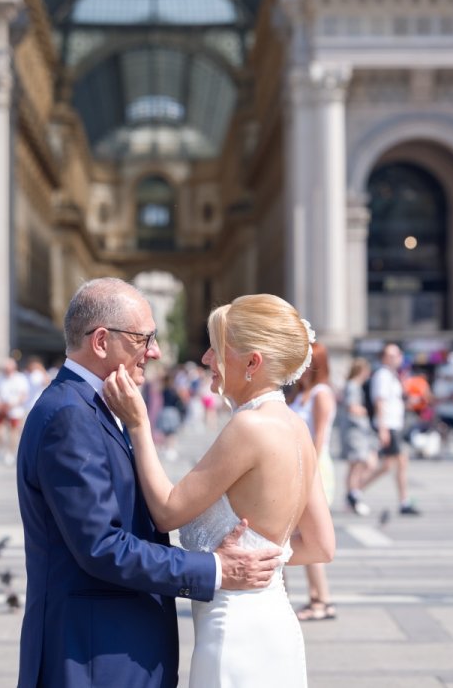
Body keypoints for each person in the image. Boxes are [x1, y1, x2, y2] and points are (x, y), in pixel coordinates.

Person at [16, 278, 285, 688]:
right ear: (102, 341)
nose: (155, 352)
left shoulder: (91, 406)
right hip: (94, 656)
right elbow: (102, 547)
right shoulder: (70, 417)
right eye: (144, 339)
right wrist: (214, 569)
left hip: (110, 647)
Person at [105, 293, 335, 688]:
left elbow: (166, 511)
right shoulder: (296, 426)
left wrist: (140, 425)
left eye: (216, 348)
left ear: (252, 362)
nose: (207, 359)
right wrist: (257, 558)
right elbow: (321, 546)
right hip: (276, 622)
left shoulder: (249, 427)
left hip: (234, 631)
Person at [288, 342, 337, 621]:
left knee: (310, 535)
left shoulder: (321, 394)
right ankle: (317, 597)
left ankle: (321, 599)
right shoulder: (303, 392)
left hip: (315, 467)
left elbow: (318, 438)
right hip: (300, 466)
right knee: (299, 534)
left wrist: (308, 474)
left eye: (305, 360)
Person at [361, 343, 420, 514]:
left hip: (394, 424)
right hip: (388, 425)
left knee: (388, 466)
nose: (398, 358)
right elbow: (379, 401)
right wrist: (383, 428)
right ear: (385, 358)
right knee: (401, 462)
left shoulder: (393, 376)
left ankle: (356, 490)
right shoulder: (383, 375)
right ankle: (404, 501)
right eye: (393, 355)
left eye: (399, 354)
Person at [342, 357, 376, 516]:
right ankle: (353, 496)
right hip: (355, 431)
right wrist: (366, 411)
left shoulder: (353, 386)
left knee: (357, 465)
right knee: (358, 464)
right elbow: (352, 407)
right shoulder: (353, 386)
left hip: (356, 431)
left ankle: (352, 495)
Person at [0, 357, 29, 464]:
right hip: (1, 408)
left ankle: (10, 452)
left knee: (13, 433)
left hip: (15, 410)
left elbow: (24, 395)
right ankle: (1, 448)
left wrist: (13, 404)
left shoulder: (20, 378)